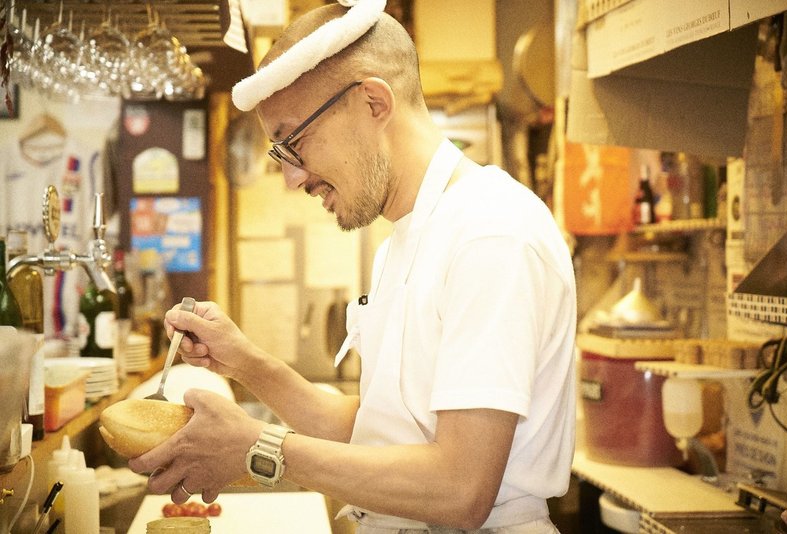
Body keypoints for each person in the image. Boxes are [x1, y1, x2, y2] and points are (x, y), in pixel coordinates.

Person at [129, 1, 577, 532]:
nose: (293, 179)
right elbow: (375, 430)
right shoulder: (403, 244)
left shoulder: (491, 233)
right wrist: (247, 362)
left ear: (372, 102)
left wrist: (259, 447)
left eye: (293, 142)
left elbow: (461, 487)